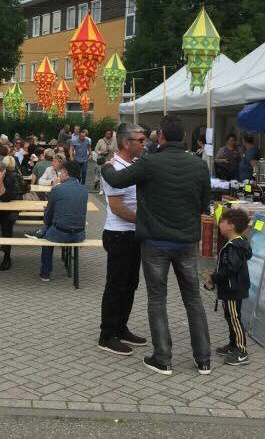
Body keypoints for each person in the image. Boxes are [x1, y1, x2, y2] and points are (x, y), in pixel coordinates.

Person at [101, 113, 212, 377]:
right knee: (193, 299)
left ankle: (163, 358)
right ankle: (203, 359)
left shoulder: (149, 162)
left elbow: (115, 180)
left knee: (157, 299)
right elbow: (204, 205)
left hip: (155, 242)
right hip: (186, 242)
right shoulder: (199, 165)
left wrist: (105, 166)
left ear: (159, 137)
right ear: (184, 137)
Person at [99, 123, 148, 355]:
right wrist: (144, 221)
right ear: (127, 143)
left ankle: (121, 327)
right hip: (119, 233)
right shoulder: (115, 168)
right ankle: (107, 335)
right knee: (116, 285)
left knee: (130, 284)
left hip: (132, 233)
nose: (144, 143)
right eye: (140, 140)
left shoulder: (133, 166)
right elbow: (117, 207)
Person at [204, 208, 252, 367]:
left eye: (222, 222)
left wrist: (213, 278)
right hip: (229, 288)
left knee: (235, 319)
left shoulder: (234, 247)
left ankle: (241, 350)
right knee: (230, 317)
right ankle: (233, 344)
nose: (219, 224)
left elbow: (230, 269)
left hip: (233, 289)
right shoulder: (234, 244)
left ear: (231, 226)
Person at [27, 160, 87, 281]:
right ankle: (41, 232)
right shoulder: (84, 190)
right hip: (79, 234)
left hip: (60, 233)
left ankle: (45, 273)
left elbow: (48, 216)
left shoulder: (57, 189)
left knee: (48, 235)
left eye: (61, 172)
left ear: (66, 173)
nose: (60, 175)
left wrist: (47, 223)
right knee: (57, 224)